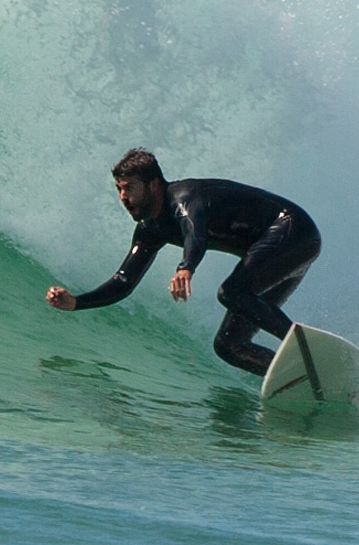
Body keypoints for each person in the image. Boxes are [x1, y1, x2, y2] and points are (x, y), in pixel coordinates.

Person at [45, 148, 322, 377]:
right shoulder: (150, 228)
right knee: (228, 345)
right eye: (119, 189)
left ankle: (307, 351)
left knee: (232, 293)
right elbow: (123, 282)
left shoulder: (185, 199)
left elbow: (194, 232)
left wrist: (186, 267)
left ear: (153, 184)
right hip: (280, 253)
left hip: (294, 231)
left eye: (130, 188)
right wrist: (77, 302)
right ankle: (298, 376)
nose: (123, 197)